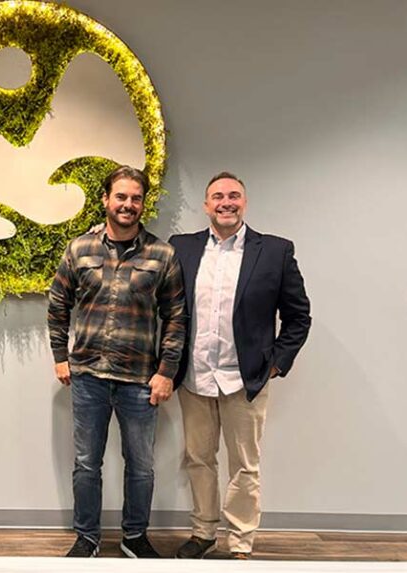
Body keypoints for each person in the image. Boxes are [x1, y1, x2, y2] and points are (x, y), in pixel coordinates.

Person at [169, 171, 311, 560]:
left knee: (244, 465)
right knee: (198, 458)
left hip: (245, 378)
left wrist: (277, 364)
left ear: (244, 203)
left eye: (234, 196)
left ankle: (240, 541)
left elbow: (299, 317)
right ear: (206, 205)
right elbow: (166, 306)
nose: (226, 202)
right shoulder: (181, 247)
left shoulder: (275, 251)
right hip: (193, 376)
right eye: (218, 196)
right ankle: (202, 533)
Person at [47, 165, 186, 558]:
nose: (128, 205)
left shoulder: (162, 254)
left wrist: (166, 373)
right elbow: (58, 306)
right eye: (121, 197)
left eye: (135, 198)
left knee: (141, 465)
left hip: (141, 379)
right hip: (88, 374)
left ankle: (134, 537)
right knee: (86, 463)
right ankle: (87, 537)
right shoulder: (79, 249)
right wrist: (60, 357)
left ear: (143, 204)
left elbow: (176, 317)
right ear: (106, 200)